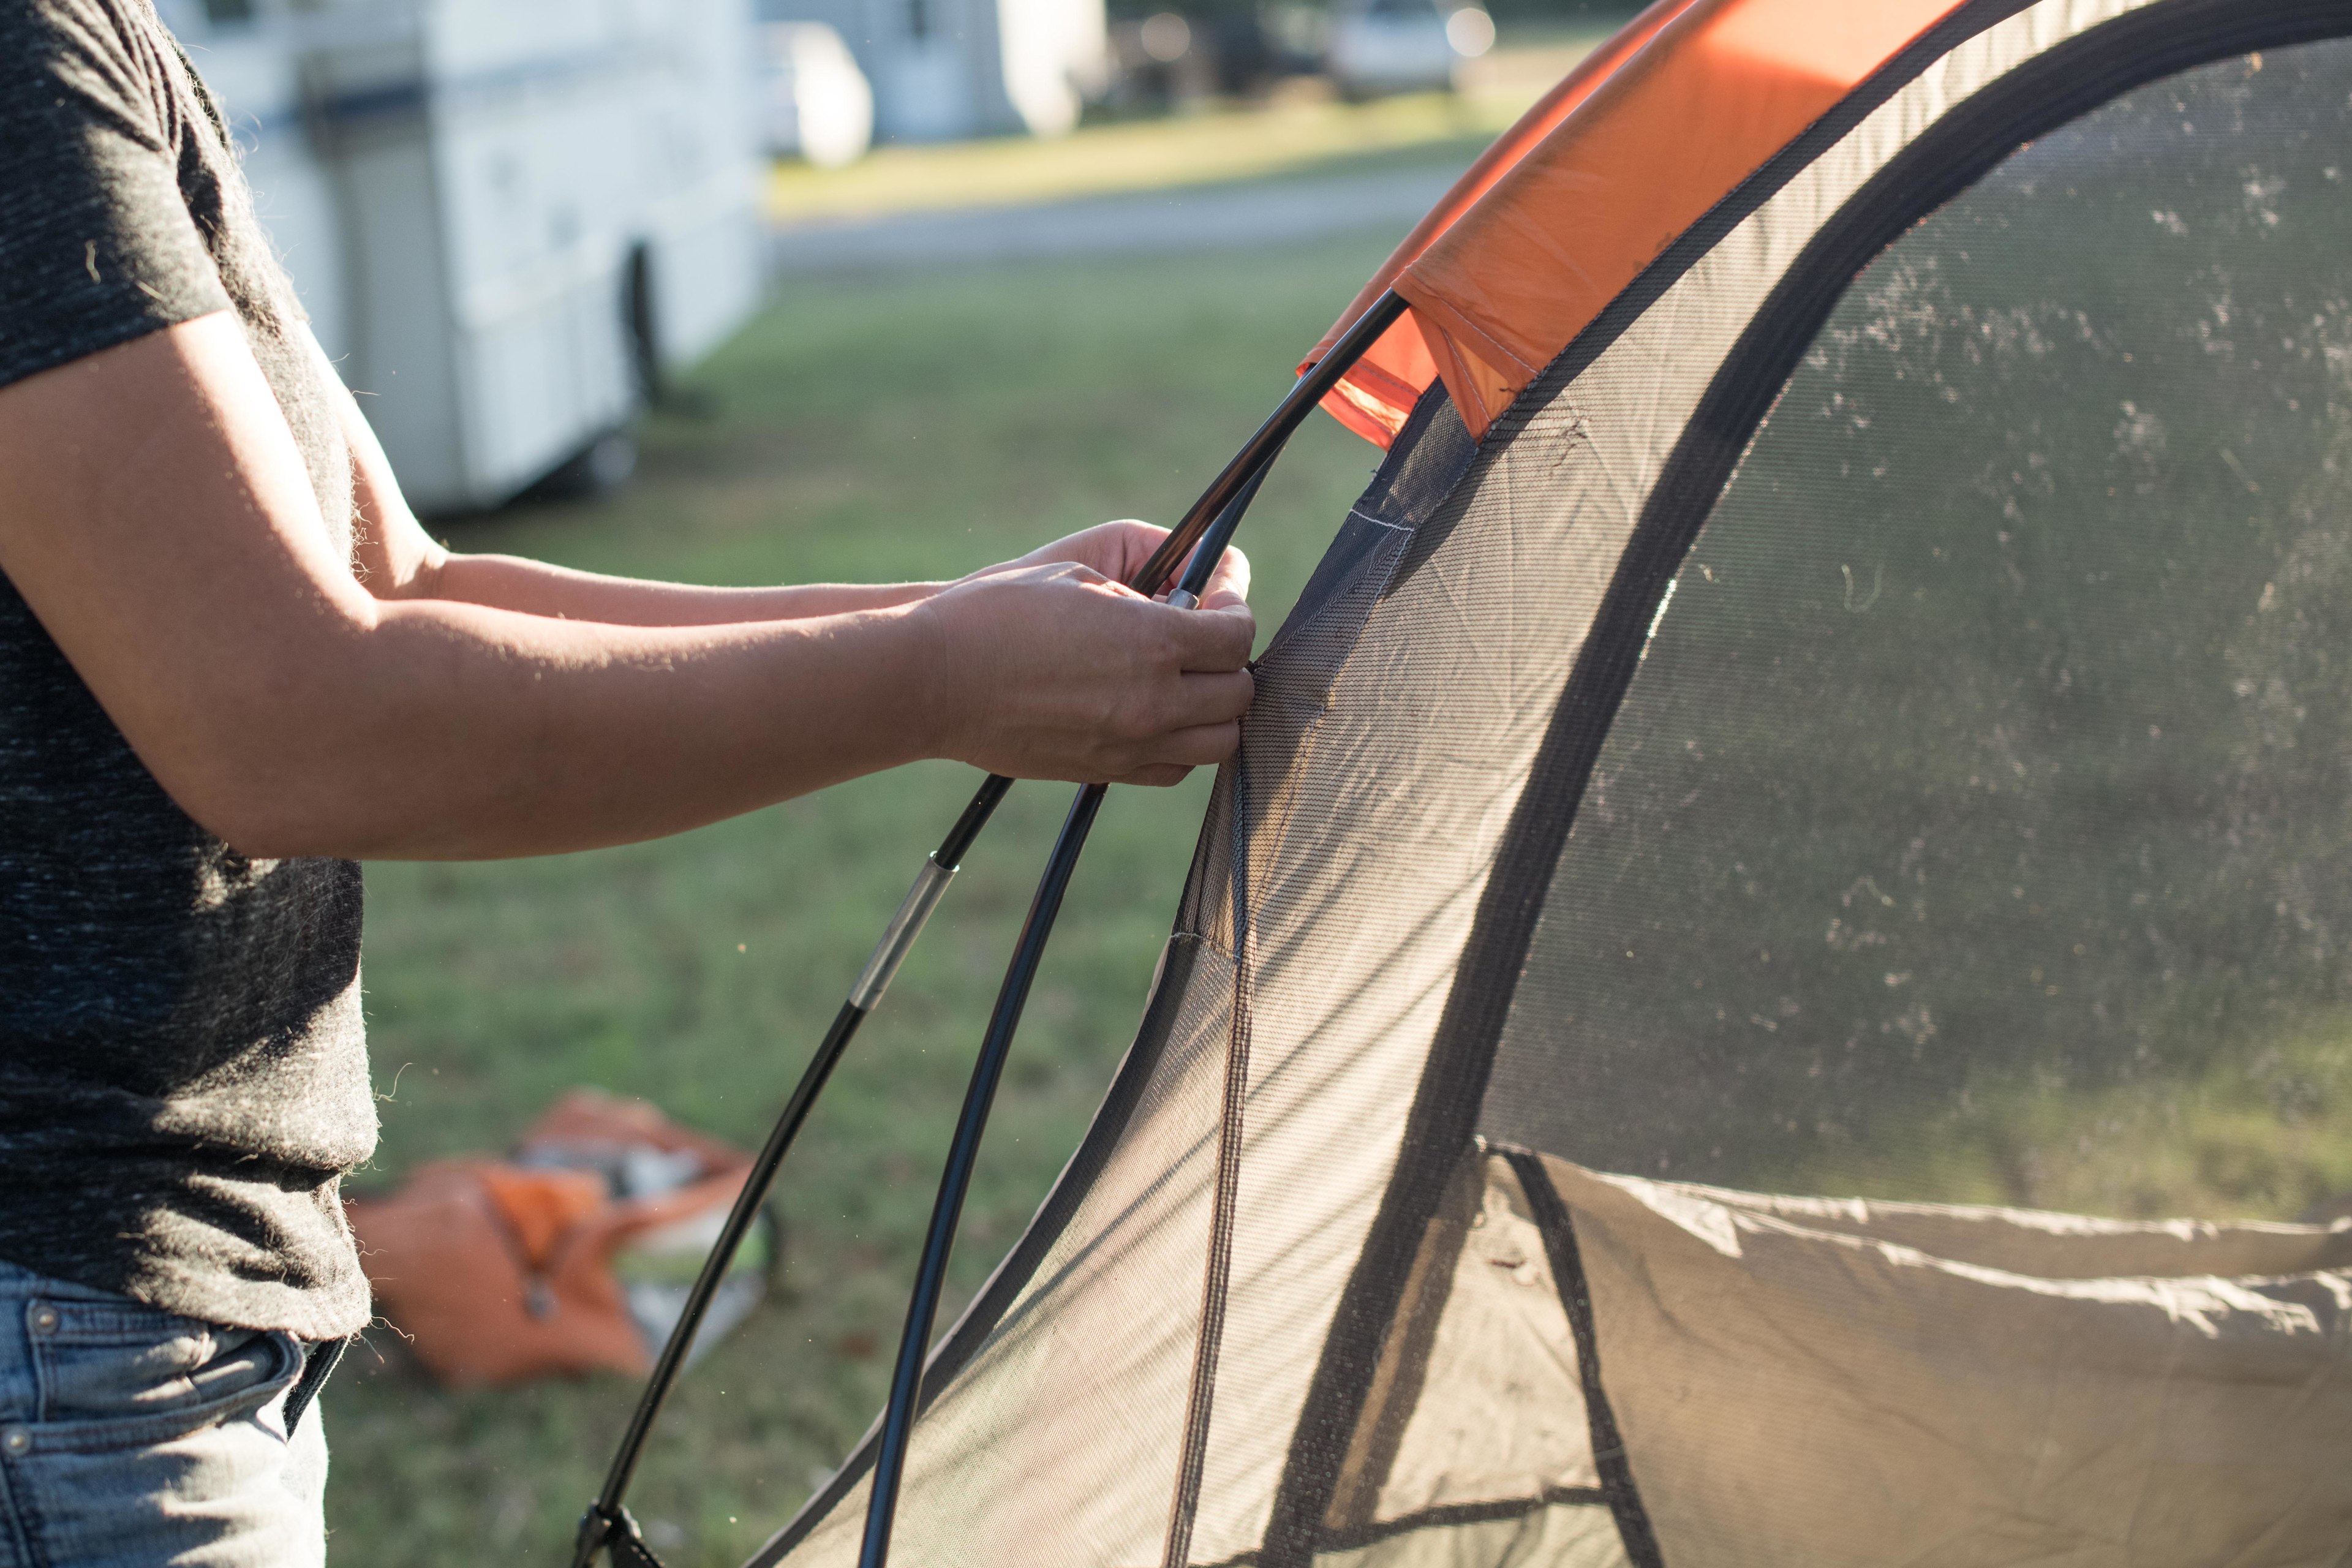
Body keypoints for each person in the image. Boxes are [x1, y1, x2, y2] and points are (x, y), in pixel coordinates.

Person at [0, 1, 1255, 1561]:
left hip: (134, 1320)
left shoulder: (98, 47)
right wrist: (940, 678)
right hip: (61, 1345)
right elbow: (291, 723)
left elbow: (401, 580)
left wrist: (941, 623)